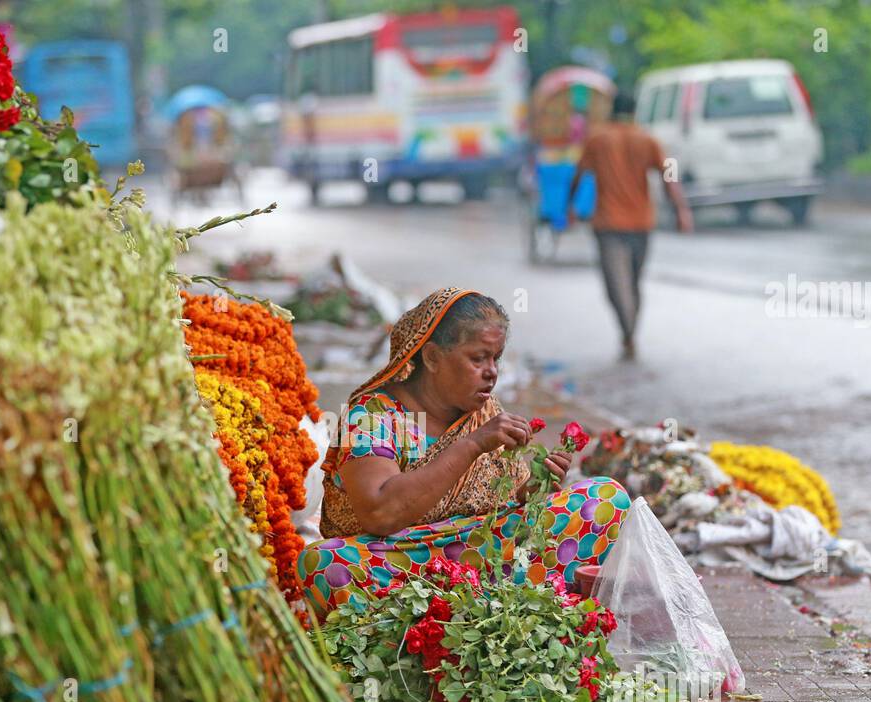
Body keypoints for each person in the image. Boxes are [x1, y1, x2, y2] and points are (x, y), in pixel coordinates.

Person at [297, 288, 631, 620]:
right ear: (431, 358)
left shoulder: (485, 413)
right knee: (323, 565)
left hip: (482, 558)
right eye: (478, 358)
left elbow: (502, 515)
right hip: (404, 565)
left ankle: (493, 609)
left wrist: (534, 491)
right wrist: (471, 446)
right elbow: (379, 514)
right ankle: (487, 607)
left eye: (496, 358)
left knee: (605, 499)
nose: (492, 372)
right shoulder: (372, 416)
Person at [567, 90, 693, 360]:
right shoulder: (648, 140)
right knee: (633, 282)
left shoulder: (597, 139)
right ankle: (629, 332)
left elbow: (577, 175)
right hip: (641, 222)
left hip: (609, 223)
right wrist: (681, 209)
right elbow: (669, 175)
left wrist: (570, 206)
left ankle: (628, 332)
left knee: (617, 284)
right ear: (634, 111)